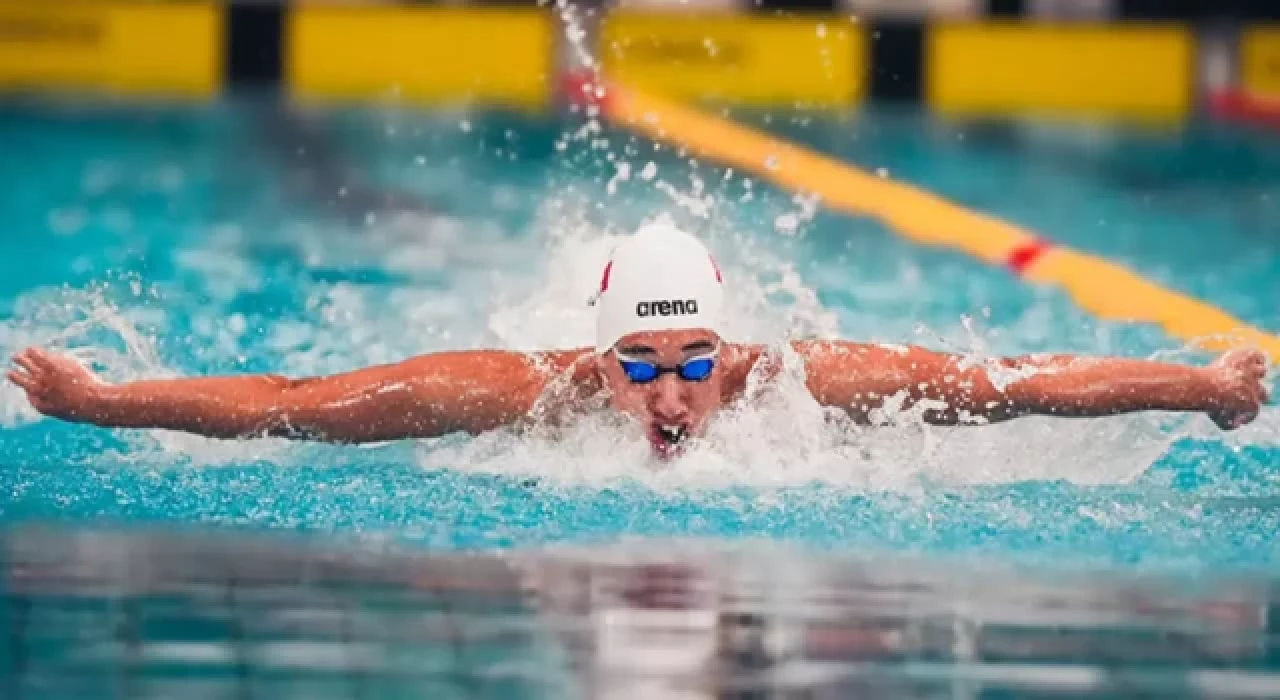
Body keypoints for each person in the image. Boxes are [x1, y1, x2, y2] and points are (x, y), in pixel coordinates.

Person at [6, 222, 1270, 459]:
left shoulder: (812, 388)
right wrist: (100, 401)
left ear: (728, 354)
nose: (671, 397)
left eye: (691, 366)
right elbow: (292, 395)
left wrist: (1199, 386)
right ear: (598, 358)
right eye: (642, 367)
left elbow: (1017, 384)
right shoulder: (506, 397)